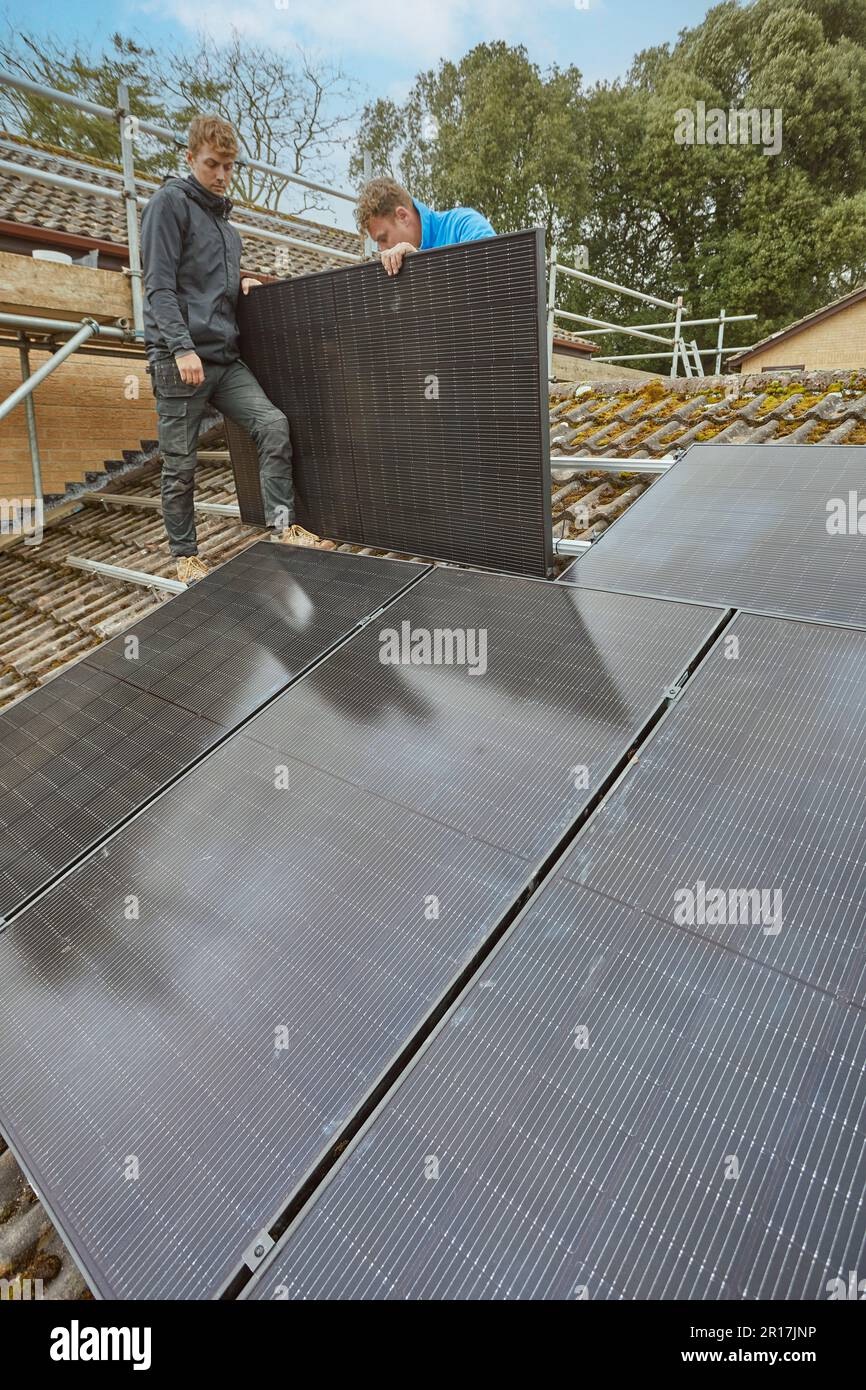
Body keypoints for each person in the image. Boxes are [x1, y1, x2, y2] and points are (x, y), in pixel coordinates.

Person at [140, 115, 334, 585]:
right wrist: (181, 348)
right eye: (212, 165)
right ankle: (185, 556)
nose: (222, 175)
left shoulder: (227, 230)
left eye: (229, 166)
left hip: (224, 361)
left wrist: (239, 282)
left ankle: (283, 528)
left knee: (272, 424)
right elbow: (159, 287)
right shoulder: (168, 205)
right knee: (181, 465)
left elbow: (206, 284)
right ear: (190, 159)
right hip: (179, 360)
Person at [355, 177, 495, 276]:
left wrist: (420, 263)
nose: (382, 250)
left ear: (402, 216)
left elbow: (492, 273)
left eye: (384, 238)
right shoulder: (395, 269)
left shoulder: (464, 223)